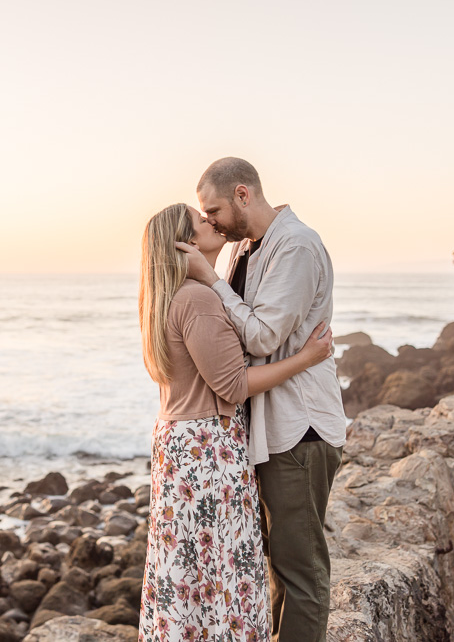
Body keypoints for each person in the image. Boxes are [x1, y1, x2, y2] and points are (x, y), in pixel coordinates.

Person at [138, 202, 333, 642]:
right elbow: (233, 385)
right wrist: (305, 358)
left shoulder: (170, 296)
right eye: (200, 220)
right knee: (223, 570)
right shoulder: (199, 298)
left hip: (178, 444)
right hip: (207, 448)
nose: (210, 221)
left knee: (189, 572)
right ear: (185, 244)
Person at [175, 157, 346, 642]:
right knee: (277, 567)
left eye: (213, 210)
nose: (209, 221)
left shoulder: (294, 245)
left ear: (243, 194)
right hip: (271, 430)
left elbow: (263, 336)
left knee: (301, 572)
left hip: (299, 429)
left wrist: (209, 281)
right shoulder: (246, 249)